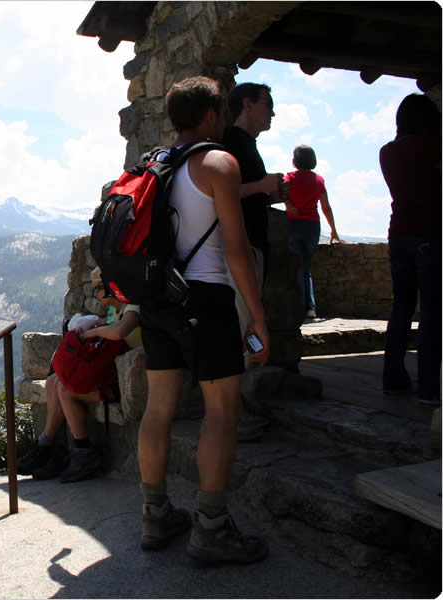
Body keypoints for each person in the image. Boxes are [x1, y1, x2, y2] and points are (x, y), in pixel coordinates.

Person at [135, 76, 270, 564]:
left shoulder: (152, 166)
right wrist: (257, 316)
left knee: (158, 410)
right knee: (222, 412)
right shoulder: (217, 162)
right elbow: (235, 248)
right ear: (213, 116)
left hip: (158, 303)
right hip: (206, 299)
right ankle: (211, 528)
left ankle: (155, 515)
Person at [18, 267, 141, 483]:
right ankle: (49, 444)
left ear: (112, 286)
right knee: (56, 380)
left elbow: (120, 332)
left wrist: (92, 332)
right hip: (111, 374)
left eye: (99, 289)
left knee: (66, 391)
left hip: (129, 380)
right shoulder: (115, 311)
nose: (95, 295)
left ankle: (82, 453)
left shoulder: (133, 305)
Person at [221, 82, 287, 441]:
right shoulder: (232, 143)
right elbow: (223, 193)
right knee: (242, 327)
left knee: (243, 327)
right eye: (268, 103)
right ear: (247, 104)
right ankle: (233, 416)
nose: (272, 111)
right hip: (241, 250)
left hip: (249, 248)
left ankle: (237, 408)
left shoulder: (245, 146)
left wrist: (267, 193)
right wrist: (263, 186)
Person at [379, 93, 441, 405]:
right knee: (432, 311)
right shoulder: (433, 148)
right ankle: (429, 387)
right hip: (431, 234)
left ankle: (394, 377)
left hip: (398, 235)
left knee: (401, 307)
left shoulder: (387, 152)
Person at [283, 144, 344, 319]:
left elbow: (283, 193)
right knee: (306, 268)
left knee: (294, 266)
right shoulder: (319, 180)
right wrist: (333, 230)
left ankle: (298, 307)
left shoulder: (290, 177)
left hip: (293, 224)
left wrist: (290, 206)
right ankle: (309, 307)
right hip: (312, 226)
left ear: (295, 160)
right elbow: (326, 206)